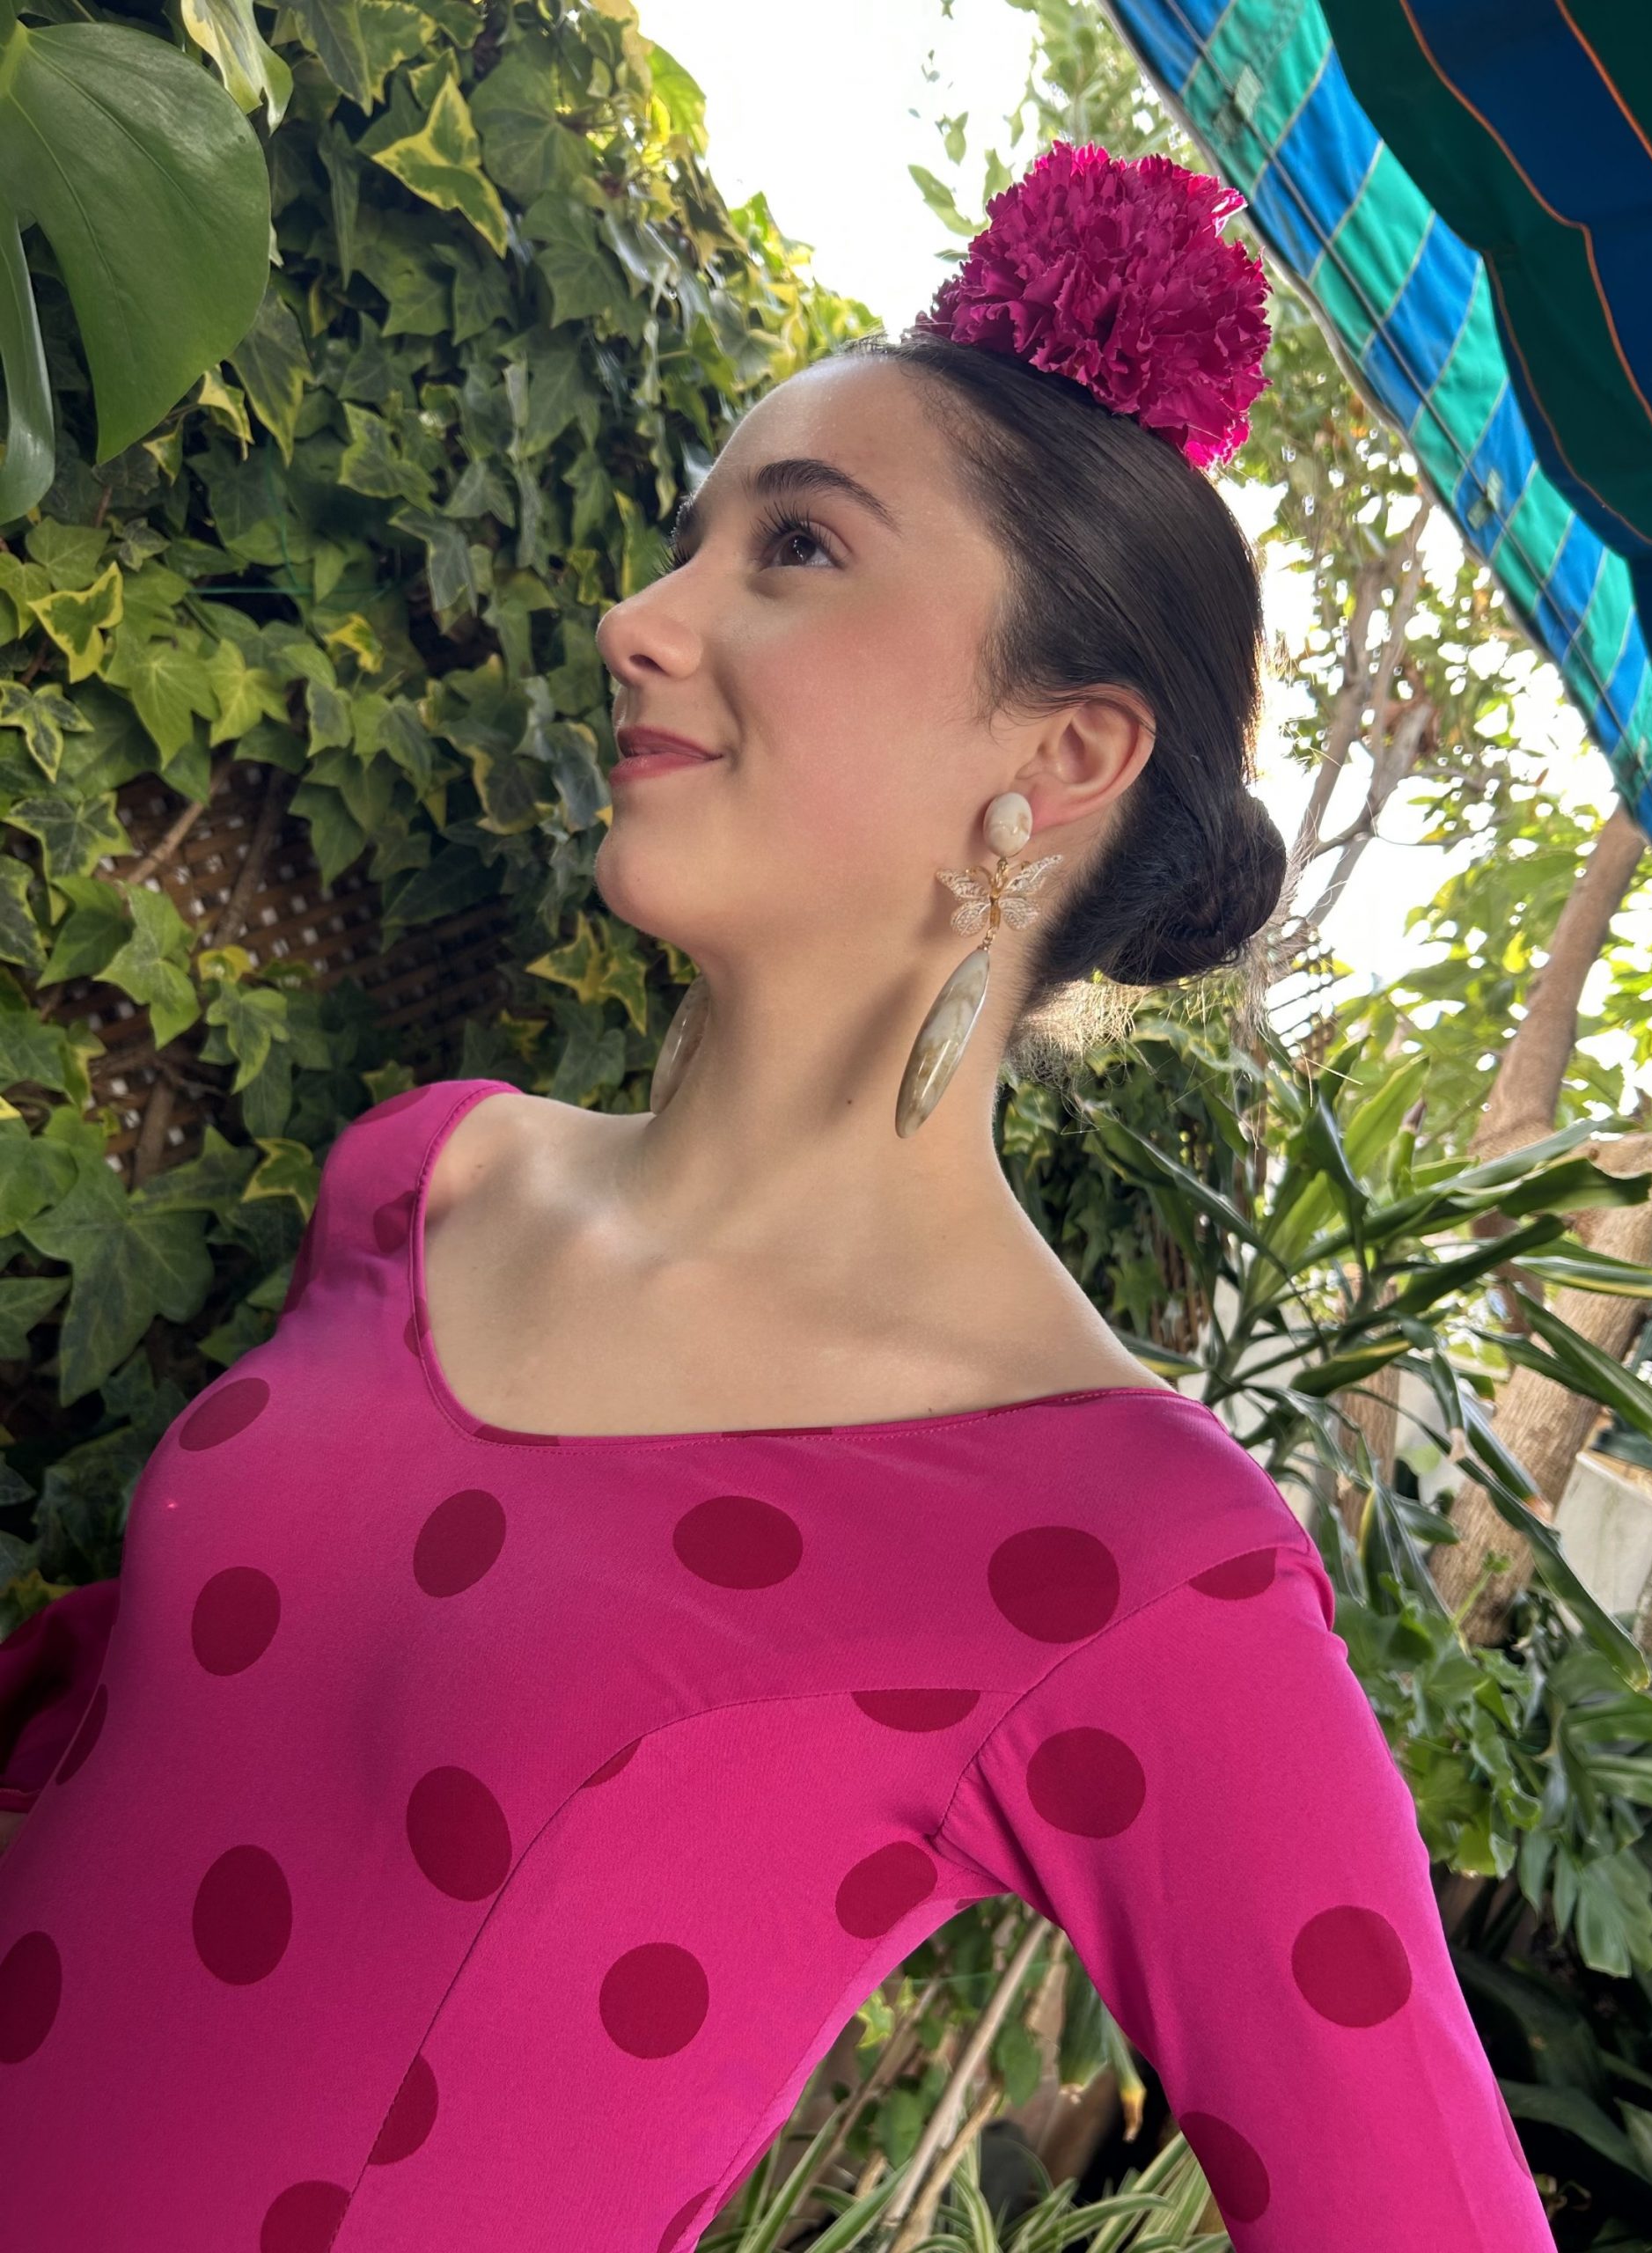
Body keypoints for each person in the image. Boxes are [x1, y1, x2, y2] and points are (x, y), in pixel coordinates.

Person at [0, 142, 1551, 2251]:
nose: (639, 621)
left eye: (800, 547)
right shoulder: (424, 1178)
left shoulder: (1124, 1554)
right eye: (689, 540)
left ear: (1064, 756)